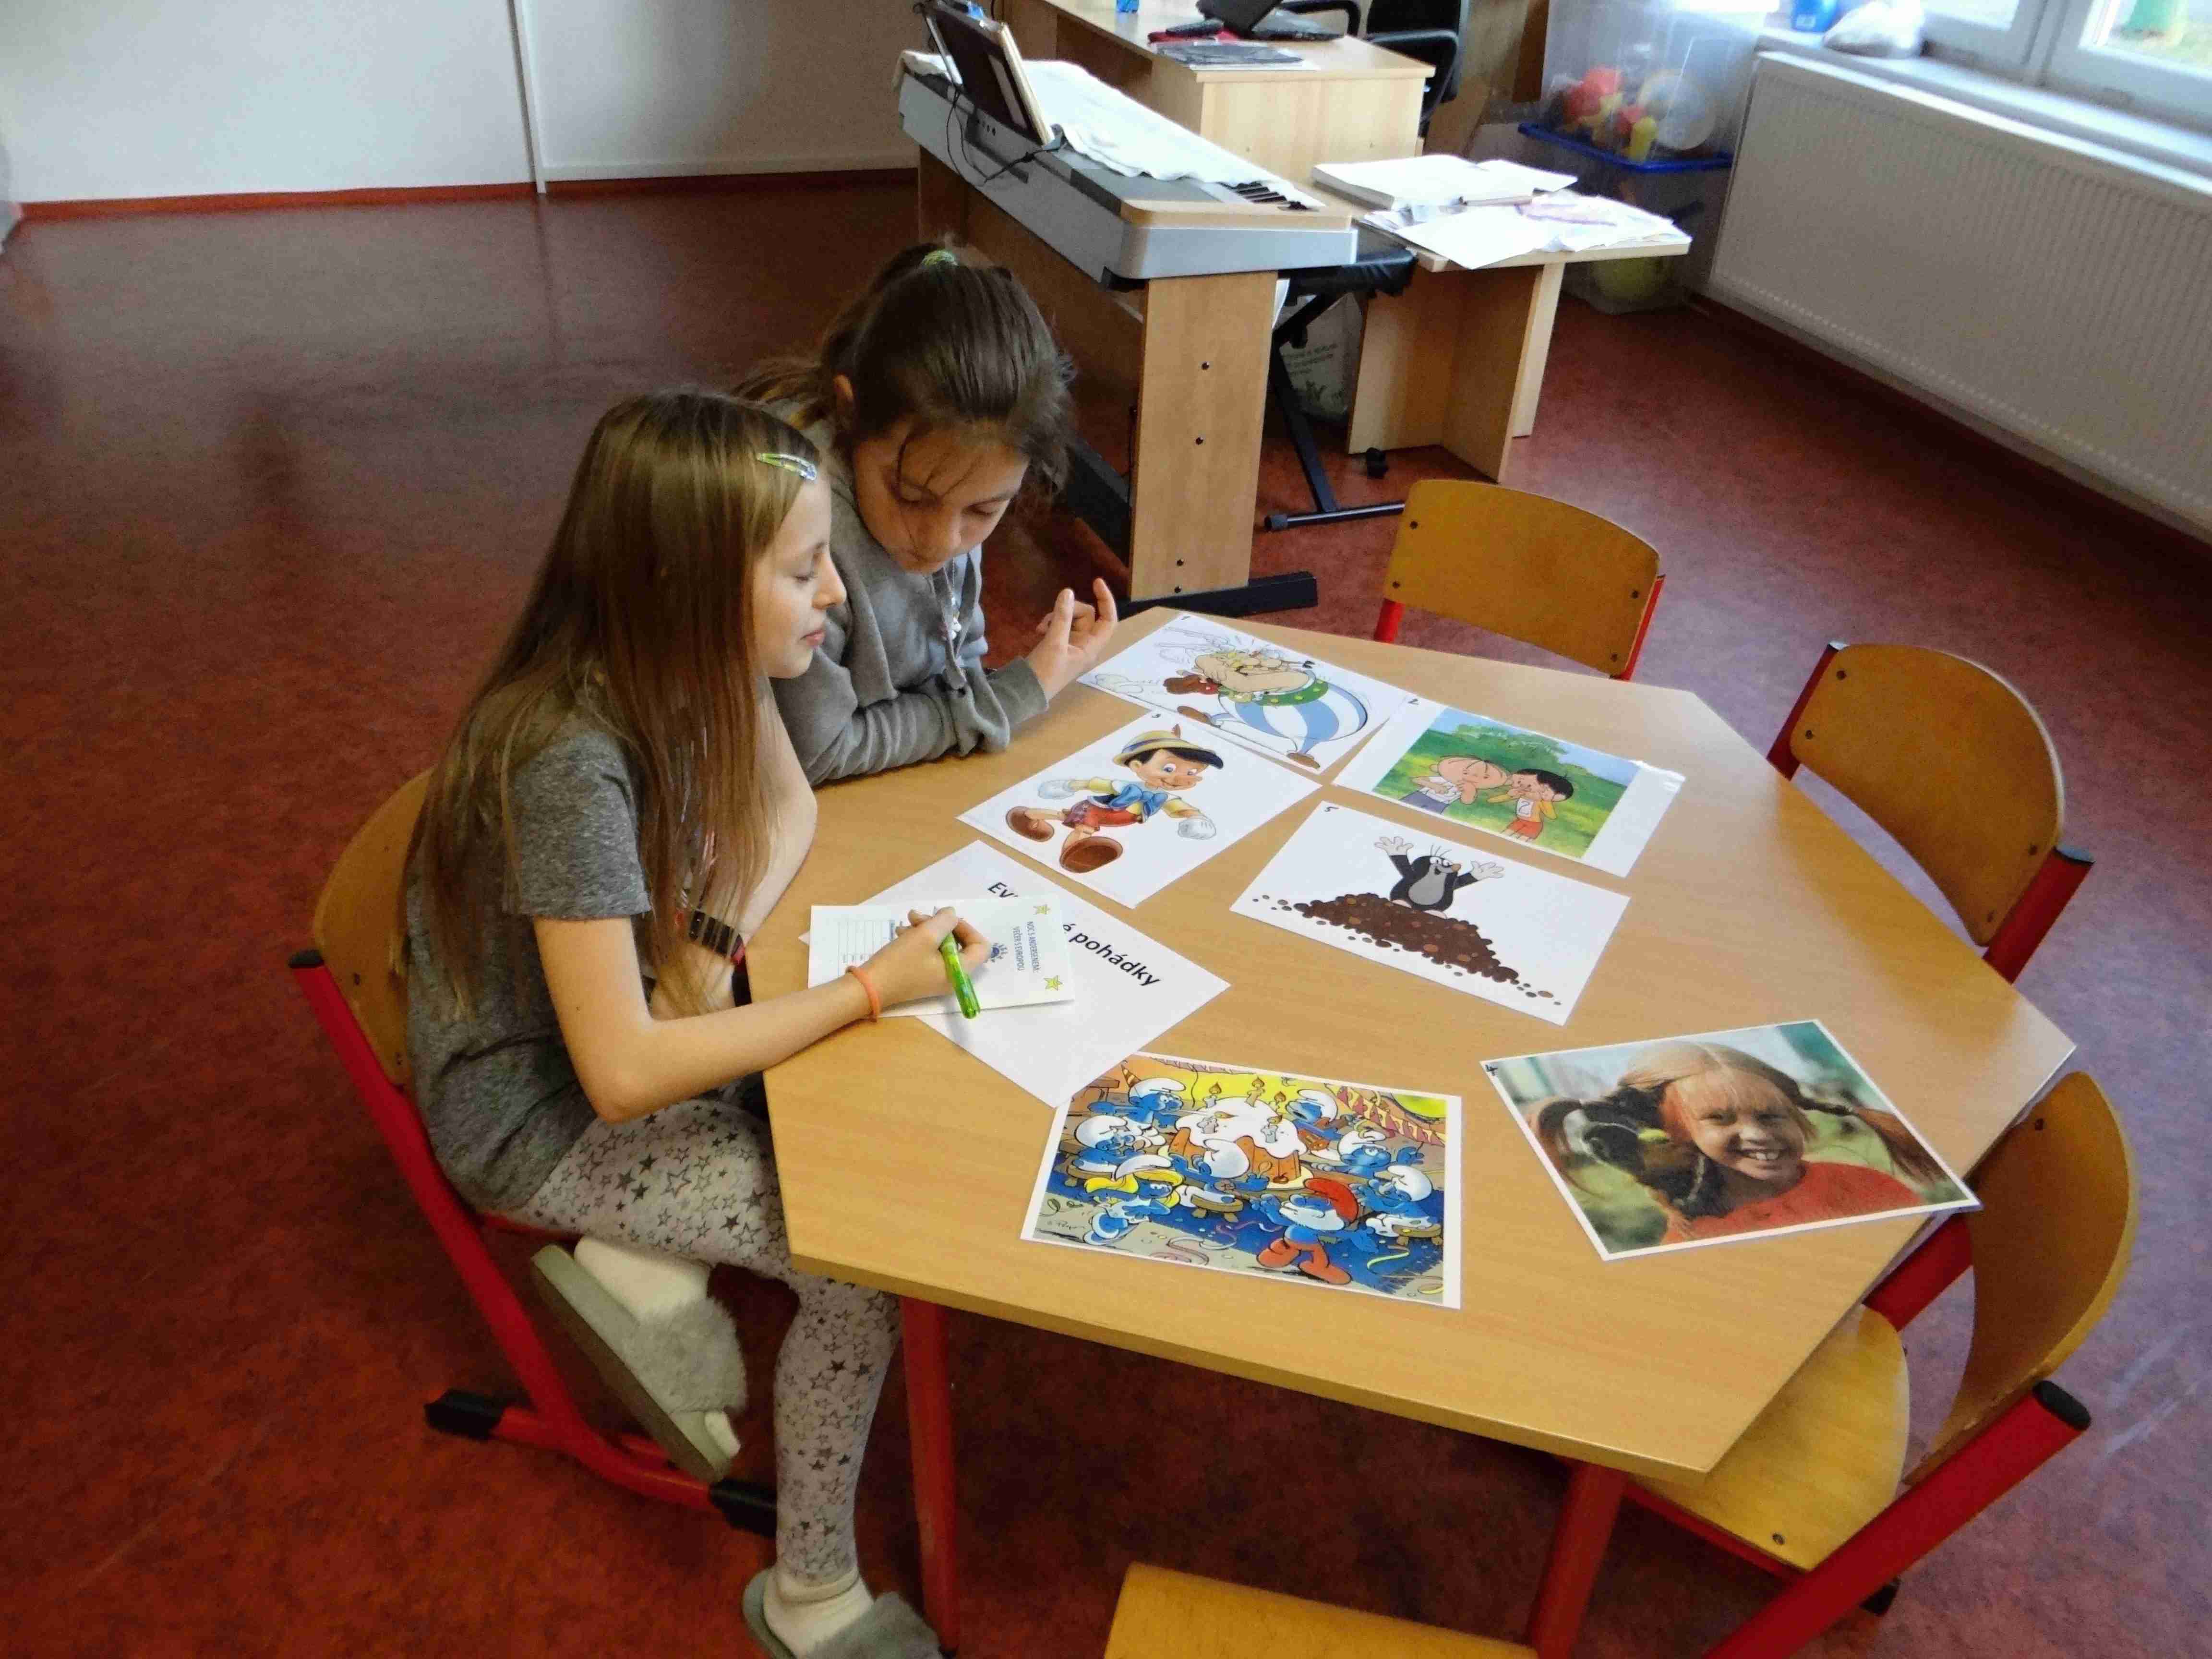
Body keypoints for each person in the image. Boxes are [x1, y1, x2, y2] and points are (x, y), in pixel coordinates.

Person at [404, 390, 980, 1658]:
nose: (836, 591)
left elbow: (785, 808)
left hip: (613, 1030)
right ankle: (812, 1592)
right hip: (537, 1116)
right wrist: (868, 990)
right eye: (803, 568)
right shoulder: (566, 759)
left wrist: (709, 949)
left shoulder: (686, 651)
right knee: (855, 1263)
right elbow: (620, 1075)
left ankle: (641, 1263)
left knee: (823, 1095)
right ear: (692, 584)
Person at [736, 240, 1118, 785]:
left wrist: (992, 691)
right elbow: (814, 752)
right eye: (912, 497)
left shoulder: (955, 463)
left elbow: (957, 664)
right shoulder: (797, 523)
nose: (941, 543)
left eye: (984, 510)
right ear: (850, 414)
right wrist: (1010, 696)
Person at [1534, 1042, 1941, 1245]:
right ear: (1680, 1138)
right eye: (1719, 1118)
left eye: (1771, 1116)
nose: (1758, 1134)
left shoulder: (1865, 1188)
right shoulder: (1691, 1239)